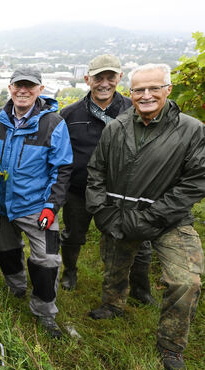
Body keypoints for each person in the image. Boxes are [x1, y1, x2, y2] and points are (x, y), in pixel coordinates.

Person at [86, 63, 205, 370]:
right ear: (130, 93)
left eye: (154, 88)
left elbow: (196, 181)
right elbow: (96, 170)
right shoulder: (116, 127)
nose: (146, 95)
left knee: (186, 281)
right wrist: (101, 210)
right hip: (120, 214)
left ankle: (171, 345)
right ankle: (113, 305)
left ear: (168, 89)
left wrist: (152, 216)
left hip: (170, 219)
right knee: (115, 264)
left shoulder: (191, 129)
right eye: (139, 89)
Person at [0, 67, 73, 338]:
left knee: (47, 260)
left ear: (40, 89)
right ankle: (16, 287)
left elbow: (62, 169)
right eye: (18, 85)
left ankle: (44, 311)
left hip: (38, 207)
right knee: (7, 251)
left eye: (30, 86)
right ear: (10, 88)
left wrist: (51, 206)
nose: (23, 91)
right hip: (2, 206)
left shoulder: (53, 124)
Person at [59, 55, 154, 305]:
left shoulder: (132, 111)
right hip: (78, 190)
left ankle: (139, 288)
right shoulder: (69, 114)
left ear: (119, 78)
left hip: (119, 192)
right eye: (98, 77)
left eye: (110, 77)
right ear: (87, 79)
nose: (104, 83)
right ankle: (69, 272)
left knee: (133, 237)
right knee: (73, 235)